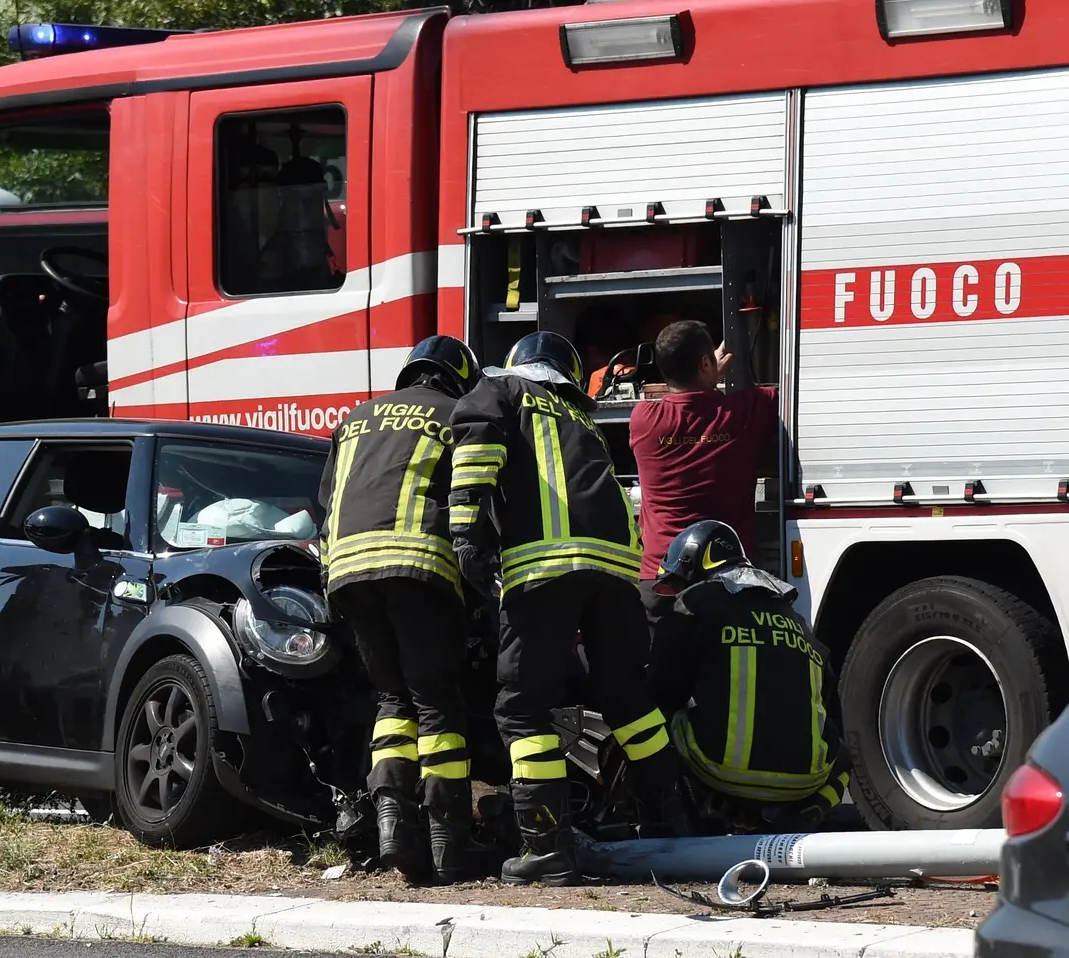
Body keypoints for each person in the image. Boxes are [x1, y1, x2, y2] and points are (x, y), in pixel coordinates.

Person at [448, 330, 686, 887]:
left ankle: (545, 844)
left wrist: (467, 535)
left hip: (543, 568)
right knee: (629, 701)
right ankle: (670, 821)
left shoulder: (501, 390)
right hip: (616, 573)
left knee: (521, 709)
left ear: (517, 364)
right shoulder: (580, 417)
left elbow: (477, 449)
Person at [317, 334, 484, 885]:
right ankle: (448, 843)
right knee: (437, 701)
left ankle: (392, 824)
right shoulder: (459, 413)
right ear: (458, 376)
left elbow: (326, 501)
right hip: (417, 566)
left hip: (346, 571)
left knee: (392, 697)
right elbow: (476, 498)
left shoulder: (356, 418)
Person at [648, 520, 851, 833]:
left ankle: (680, 810)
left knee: (648, 718)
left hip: (719, 771)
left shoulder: (693, 606)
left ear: (692, 567)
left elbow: (665, 689)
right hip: (806, 781)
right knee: (845, 750)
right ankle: (813, 809)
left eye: (676, 584)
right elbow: (831, 707)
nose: (676, 592)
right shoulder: (795, 620)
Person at [629, 319, 779, 631]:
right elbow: (788, 394)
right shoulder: (747, 410)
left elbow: (680, 404)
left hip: (660, 579)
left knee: (659, 674)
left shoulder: (644, 419)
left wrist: (705, 374)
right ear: (705, 362)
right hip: (725, 580)